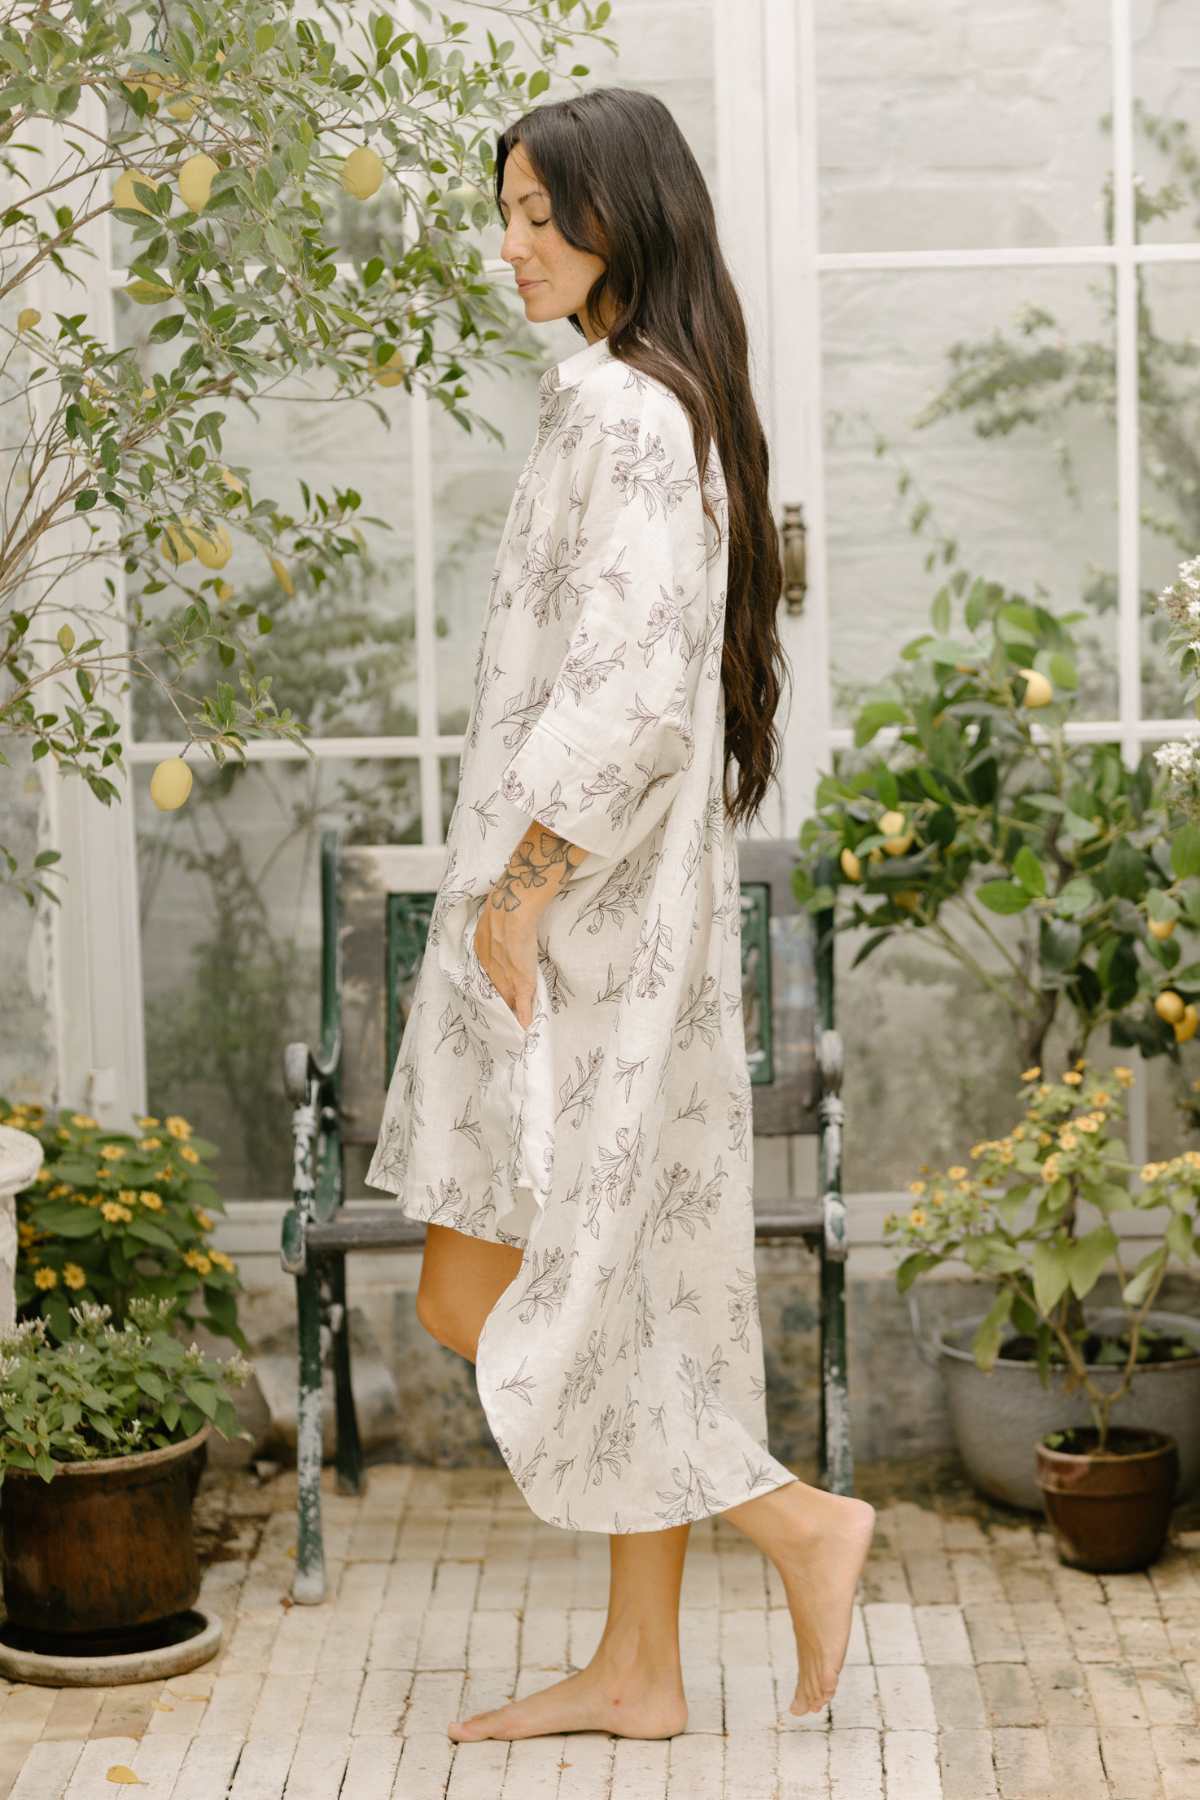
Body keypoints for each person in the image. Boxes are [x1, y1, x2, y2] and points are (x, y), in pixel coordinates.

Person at [364, 85, 875, 1744]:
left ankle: (795, 1520)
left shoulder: (629, 419)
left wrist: (516, 896)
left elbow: (637, 702)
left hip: (573, 936)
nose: (509, 245)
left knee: (485, 1294)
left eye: (538, 212)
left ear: (625, 218)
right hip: (602, 922)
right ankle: (643, 1671)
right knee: (614, 1281)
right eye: (502, 212)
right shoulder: (648, 404)